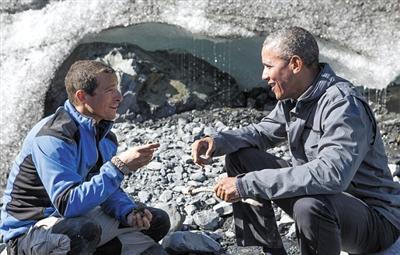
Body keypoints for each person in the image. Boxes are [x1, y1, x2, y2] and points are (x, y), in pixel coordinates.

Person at [192, 27, 400, 255]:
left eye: (269, 66)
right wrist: (218, 141)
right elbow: (263, 133)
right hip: (324, 202)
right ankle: (266, 250)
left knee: (308, 206)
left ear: (296, 64)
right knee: (241, 157)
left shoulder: (343, 105)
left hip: (375, 221)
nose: (263, 75)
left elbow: (332, 175)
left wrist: (246, 184)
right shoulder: (295, 98)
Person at [0, 60, 170, 254]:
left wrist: (128, 211)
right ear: (82, 97)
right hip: (28, 232)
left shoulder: (103, 135)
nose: (119, 97)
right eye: (109, 91)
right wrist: (119, 166)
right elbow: (67, 204)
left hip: (71, 221)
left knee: (156, 222)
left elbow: (101, 188)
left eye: (117, 89)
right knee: (82, 233)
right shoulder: (53, 137)